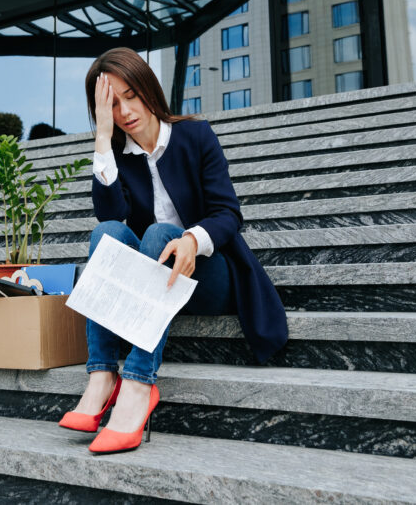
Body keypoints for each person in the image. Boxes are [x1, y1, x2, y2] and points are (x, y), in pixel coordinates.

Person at [58, 47, 288, 454]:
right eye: (112, 105)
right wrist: (102, 139)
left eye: (131, 95)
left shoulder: (195, 136)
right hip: (156, 280)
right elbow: (109, 213)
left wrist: (191, 239)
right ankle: (101, 376)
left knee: (162, 234)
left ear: (149, 89)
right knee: (108, 233)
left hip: (207, 277)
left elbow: (228, 213)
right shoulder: (118, 156)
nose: (126, 110)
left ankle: (138, 385)